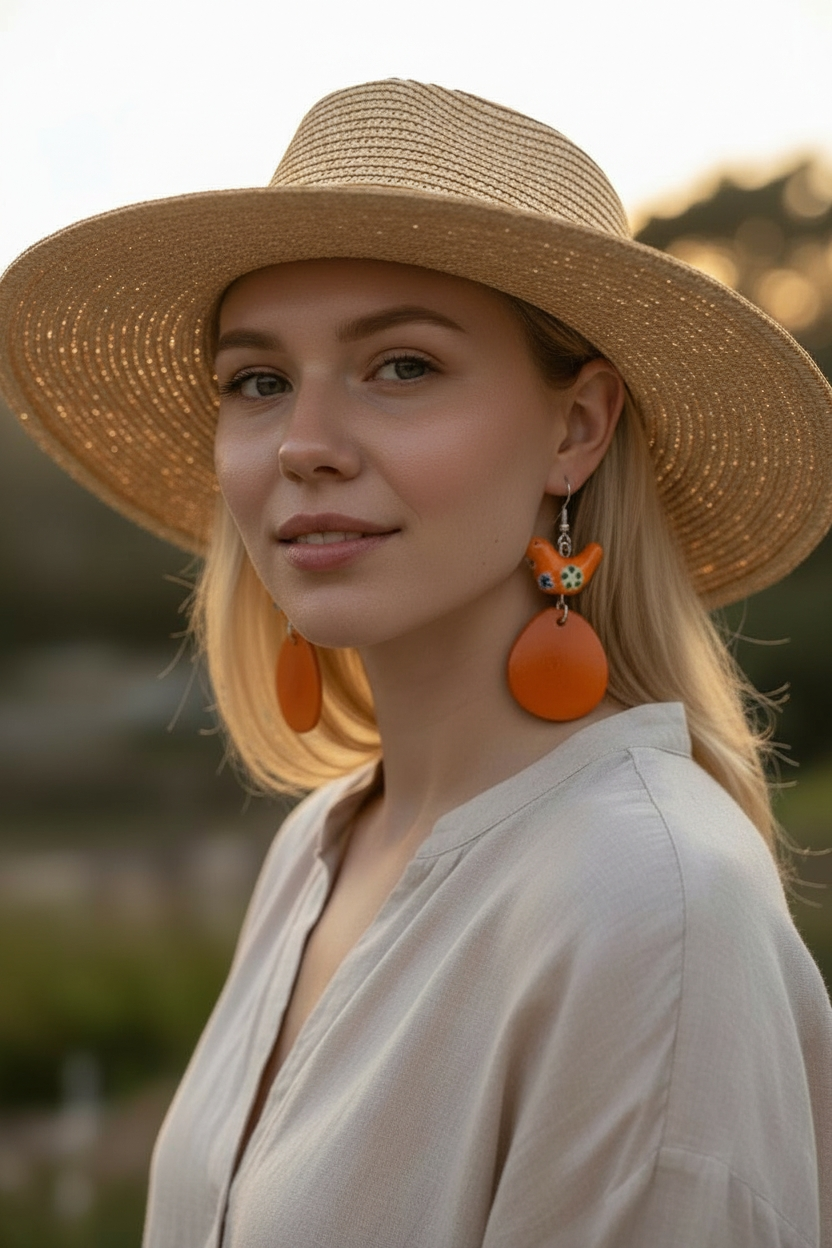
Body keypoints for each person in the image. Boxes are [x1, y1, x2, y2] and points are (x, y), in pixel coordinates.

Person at [1, 79, 831, 1248]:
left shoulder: (649, 904)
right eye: (257, 381)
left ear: (575, 429)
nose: (303, 445)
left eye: (402, 366)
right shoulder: (324, 841)